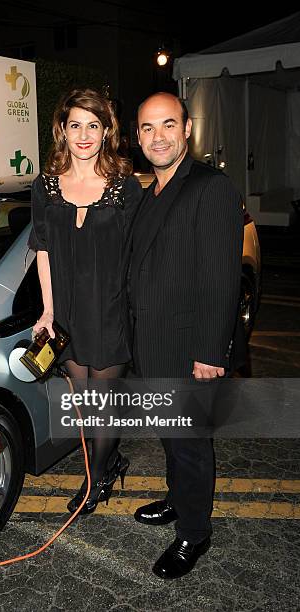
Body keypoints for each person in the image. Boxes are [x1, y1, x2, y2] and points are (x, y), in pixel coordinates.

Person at [128, 92, 245, 579]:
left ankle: (194, 533)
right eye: (149, 128)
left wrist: (208, 352)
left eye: (168, 125)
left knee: (191, 443)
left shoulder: (210, 187)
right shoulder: (149, 191)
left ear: (187, 130)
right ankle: (179, 501)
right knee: (172, 439)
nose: (159, 137)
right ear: (137, 136)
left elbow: (221, 277)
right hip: (152, 346)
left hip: (188, 349)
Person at [28, 88, 143, 514]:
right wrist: (48, 311)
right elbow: (43, 250)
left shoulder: (125, 190)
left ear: (107, 131)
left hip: (111, 312)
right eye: (75, 124)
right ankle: (108, 465)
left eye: (93, 125)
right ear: (61, 129)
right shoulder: (46, 186)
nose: (83, 134)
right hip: (69, 315)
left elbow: (141, 255)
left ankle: (95, 482)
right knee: (85, 409)